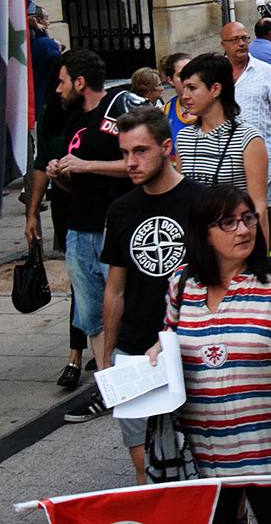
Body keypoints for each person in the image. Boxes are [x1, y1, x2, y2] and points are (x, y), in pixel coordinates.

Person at [154, 185, 271, 524]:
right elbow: (168, 342)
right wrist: (154, 356)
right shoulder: (182, 283)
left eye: (248, 219)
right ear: (203, 232)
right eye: (228, 222)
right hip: (206, 460)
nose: (243, 229)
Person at [100, 105, 203, 483]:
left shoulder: (201, 202)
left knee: (202, 461)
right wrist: (108, 354)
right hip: (135, 352)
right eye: (125, 152)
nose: (130, 162)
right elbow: (115, 288)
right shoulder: (121, 210)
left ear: (166, 147)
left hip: (187, 348)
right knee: (146, 471)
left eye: (140, 151)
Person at [52, 50, 144, 425]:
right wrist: (61, 173)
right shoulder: (75, 120)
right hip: (78, 228)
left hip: (112, 229)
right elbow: (76, 174)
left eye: (61, 81)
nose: (57, 89)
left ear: (79, 81)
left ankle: (133, 383)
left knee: (122, 307)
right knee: (91, 316)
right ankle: (108, 387)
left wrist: (88, 165)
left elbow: (137, 164)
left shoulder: (117, 109)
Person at [24, 56, 90, 392]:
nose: (60, 87)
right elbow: (39, 166)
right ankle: (75, 355)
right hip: (67, 209)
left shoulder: (95, 115)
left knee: (103, 282)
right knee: (80, 282)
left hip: (99, 209)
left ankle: (97, 345)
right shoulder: (53, 115)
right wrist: (32, 212)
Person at [174, 53, 270, 223]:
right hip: (196, 240)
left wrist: (260, 248)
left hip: (234, 236)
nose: (185, 96)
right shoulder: (184, 138)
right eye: (184, 88)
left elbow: (258, 206)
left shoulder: (247, 138)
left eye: (192, 88)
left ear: (215, 89)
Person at [221, 21, 271, 254]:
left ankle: (267, 254)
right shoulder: (216, 73)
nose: (241, 43)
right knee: (232, 207)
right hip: (226, 154)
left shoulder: (264, 71)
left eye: (244, 38)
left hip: (263, 153)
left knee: (263, 204)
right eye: (235, 40)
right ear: (224, 45)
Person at [29, 7, 62, 117]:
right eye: (46, 18)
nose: (48, 22)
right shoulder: (45, 44)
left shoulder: (33, 43)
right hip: (45, 98)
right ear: (38, 20)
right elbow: (59, 67)